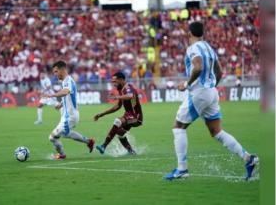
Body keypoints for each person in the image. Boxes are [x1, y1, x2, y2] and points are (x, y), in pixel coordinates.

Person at [164, 22, 258, 180]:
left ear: (189, 34)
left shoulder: (193, 48)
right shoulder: (209, 48)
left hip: (199, 92)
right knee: (216, 132)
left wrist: (187, 84)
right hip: (212, 92)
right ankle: (248, 159)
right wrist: (211, 87)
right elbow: (219, 71)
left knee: (178, 127)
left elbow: (198, 67)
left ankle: (182, 169)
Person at [42, 61, 95, 160]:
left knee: (52, 137)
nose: (55, 74)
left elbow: (65, 92)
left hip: (69, 116)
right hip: (68, 115)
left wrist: (51, 95)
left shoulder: (68, 81)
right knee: (66, 134)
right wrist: (61, 104)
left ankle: (62, 155)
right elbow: (68, 95)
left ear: (62, 69)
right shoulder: (65, 81)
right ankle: (89, 141)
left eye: (56, 71)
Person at [94, 72, 143, 155]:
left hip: (136, 117)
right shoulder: (121, 90)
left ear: (121, 80)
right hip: (128, 116)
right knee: (119, 133)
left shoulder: (128, 87)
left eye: (115, 81)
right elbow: (117, 107)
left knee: (117, 121)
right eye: (112, 82)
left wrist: (117, 97)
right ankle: (131, 151)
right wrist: (102, 114)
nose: (113, 84)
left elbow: (130, 95)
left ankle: (104, 146)